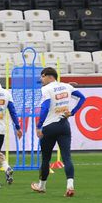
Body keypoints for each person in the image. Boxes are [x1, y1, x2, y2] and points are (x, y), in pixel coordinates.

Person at [31, 67, 86, 196]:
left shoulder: (46, 89)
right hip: (64, 125)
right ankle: (70, 185)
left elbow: (45, 108)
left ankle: (42, 186)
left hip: (49, 126)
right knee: (67, 157)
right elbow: (83, 98)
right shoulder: (67, 86)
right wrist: (72, 112)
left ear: (50, 76)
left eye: (42, 76)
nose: (41, 79)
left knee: (46, 158)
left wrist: (39, 126)